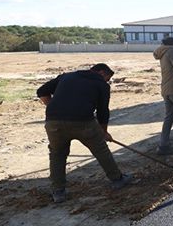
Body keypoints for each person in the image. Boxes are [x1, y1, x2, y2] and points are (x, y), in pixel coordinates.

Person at [36, 63, 133, 203]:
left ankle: (58, 192)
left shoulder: (67, 77)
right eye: (107, 78)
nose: (107, 81)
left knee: (57, 155)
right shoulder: (101, 84)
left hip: (54, 122)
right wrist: (104, 132)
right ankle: (117, 179)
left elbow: (41, 91)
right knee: (100, 150)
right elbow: (102, 111)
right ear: (101, 73)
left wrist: (52, 107)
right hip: (83, 122)